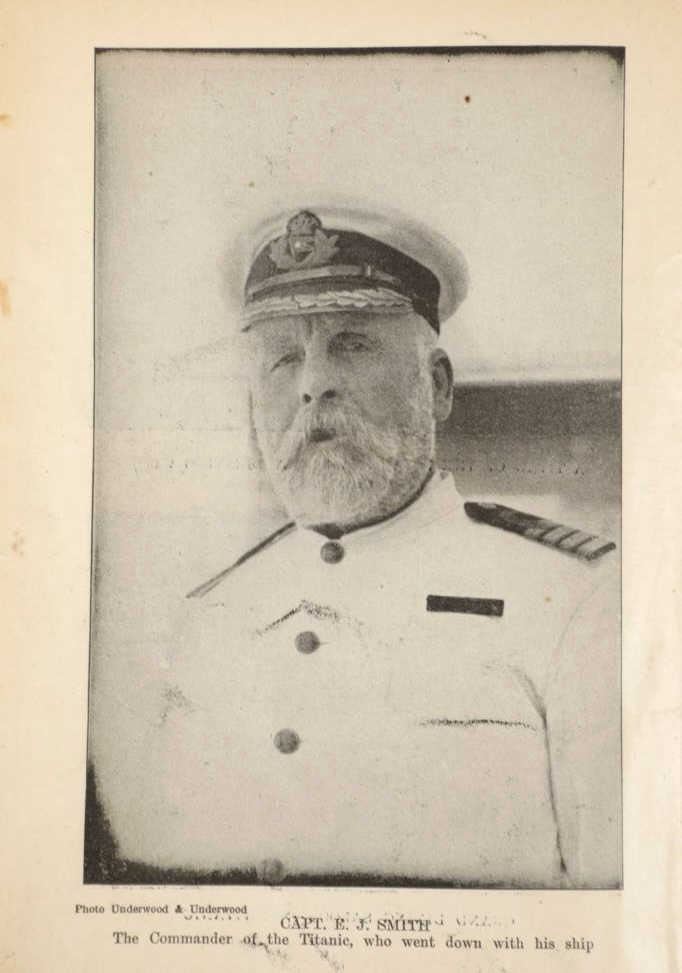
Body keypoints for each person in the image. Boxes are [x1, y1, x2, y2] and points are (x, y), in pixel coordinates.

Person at [88, 208, 621, 888]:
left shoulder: (578, 603)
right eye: (284, 358)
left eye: (352, 344)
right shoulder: (205, 615)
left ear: (437, 385)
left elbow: (616, 918)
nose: (312, 384)